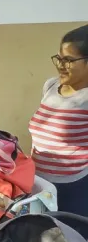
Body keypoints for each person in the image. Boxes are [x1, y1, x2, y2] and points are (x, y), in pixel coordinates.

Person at [28, 24, 88, 217]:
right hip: (38, 183)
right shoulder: (51, 86)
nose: (61, 65)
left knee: (71, 241)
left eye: (69, 60)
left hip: (73, 188)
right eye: (59, 59)